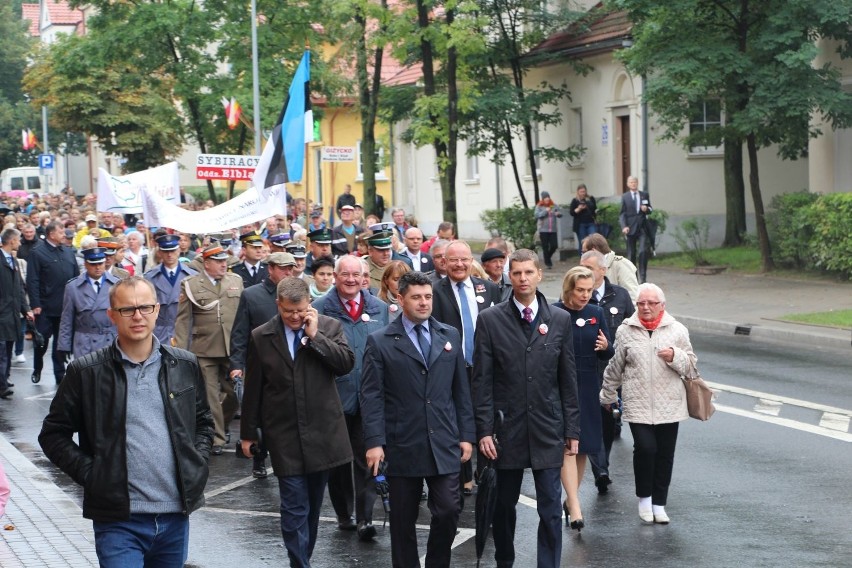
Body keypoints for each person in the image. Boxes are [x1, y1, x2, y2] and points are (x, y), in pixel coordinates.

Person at [39, 276, 214, 567]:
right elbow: (53, 435)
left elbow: (204, 423)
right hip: (118, 520)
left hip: (175, 518)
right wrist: (94, 475)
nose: (137, 316)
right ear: (111, 315)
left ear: (157, 310)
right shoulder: (86, 372)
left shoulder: (184, 364)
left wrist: (197, 462)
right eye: (127, 310)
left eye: (145, 307)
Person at [472, 249, 580, 568]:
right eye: (516, 273)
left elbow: (567, 379)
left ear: (539, 275)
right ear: (508, 276)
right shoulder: (490, 320)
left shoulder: (559, 319)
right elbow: (482, 382)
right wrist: (484, 430)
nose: (522, 279)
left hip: (548, 428)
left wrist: (572, 429)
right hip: (506, 431)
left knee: (549, 508)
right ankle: (505, 560)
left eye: (528, 272)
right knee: (503, 506)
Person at [361, 271, 475, 568]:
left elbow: (460, 390)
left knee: (449, 510)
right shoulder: (380, 341)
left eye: (428, 296)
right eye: (416, 297)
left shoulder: (449, 334)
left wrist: (466, 434)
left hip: (444, 440)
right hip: (402, 442)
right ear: (400, 299)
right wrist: (374, 442)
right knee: (402, 520)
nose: (424, 303)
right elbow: (371, 396)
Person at [240, 277, 355, 567]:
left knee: (313, 507)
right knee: (293, 505)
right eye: (288, 311)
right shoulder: (261, 336)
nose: (294, 317)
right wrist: (247, 433)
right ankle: (299, 563)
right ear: (278, 305)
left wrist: (315, 337)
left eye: (300, 311)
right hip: (284, 433)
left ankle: (302, 558)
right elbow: (254, 387)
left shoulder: (329, 328)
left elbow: (345, 364)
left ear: (310, 305)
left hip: (323, 432)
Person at [600, 283, 697, 525]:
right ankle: (644, 497)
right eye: (641, 303)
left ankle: (659, 503)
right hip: (637, 402)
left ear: (662, 306)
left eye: (651, 303)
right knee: (646, 448)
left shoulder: (677, 330)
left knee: (665, 454)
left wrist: (676, 356)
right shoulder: (626, 330)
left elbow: (692, 366)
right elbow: (615, 365)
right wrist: (608, 394)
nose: (645, 307)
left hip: (670, 402)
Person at [313, 255, 390, 541]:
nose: (350, 280)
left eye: (356, 275)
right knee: (338, 462)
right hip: (334, 397)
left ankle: (365, 518)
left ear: (364, 278)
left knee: (369, 458)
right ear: (334, 276)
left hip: (371, 398)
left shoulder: (380, 308)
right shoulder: (319, 309)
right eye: (344, 274)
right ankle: (344, 513)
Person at [430, 240, 502, 494]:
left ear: (471, 261)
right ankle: (462, 475)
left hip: (484, 367)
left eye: (464, 259)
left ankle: (485, 471)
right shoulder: (434, 291)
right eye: (453, 260)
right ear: (444, 262)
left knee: (485, 418)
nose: (459, 265)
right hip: (451, 368)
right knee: (457, 419)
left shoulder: (490, 288)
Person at [552, 266, 613, 532]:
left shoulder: (596, 313)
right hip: (560, 382)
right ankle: (575, 504)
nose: (585, 295)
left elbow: (607, 351)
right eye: (580, 290)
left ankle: (571, 498)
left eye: (589, 290)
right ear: (568, 289)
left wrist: (605, 348)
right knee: (569, 440)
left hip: (588, 382)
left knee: (584, 445)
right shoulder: (554, 312)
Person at [228, 252, 296, 478]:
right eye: (283, 268)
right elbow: (240, 332)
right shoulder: (251, 295)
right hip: (260, 364)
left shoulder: (297, 292)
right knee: (260, 413)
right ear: (271, 269)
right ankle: (259, 457)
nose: (289, 272)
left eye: (291, 268)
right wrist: (236, 363)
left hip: (290, 363)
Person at [173, 244, 244, 455]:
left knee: (235, 394)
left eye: (225, 261)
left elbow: (243, 317)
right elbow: (183, 321)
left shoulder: (236, 281)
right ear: (207, 263)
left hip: (232, 348)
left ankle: (216, 423)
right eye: (219, 261)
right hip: (204, 349)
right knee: (210, 395)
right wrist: (180, 352)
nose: (224, 264)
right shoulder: (191, 285)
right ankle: (217, 438)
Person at [580, 250, 635, 493]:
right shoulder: (579, 294)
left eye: (590, 268)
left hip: (614, 370)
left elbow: (633, 327)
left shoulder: (619, 296)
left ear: (602, 270)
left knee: (608, 422)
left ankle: (603, 463)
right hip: (587, 370)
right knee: (590, 420)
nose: (585, 273)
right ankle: (600, 469)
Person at [26, 220, 80, 384]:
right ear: (51, 234)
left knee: (61, 343)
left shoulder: (68, 252)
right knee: (41, 342)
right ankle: (38, 366)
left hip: (65, 307)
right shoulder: (38, 253)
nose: (65, 234)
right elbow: (32, 280)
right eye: (61, 231)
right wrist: (35, 304)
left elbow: (77, 278)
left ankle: (59, 374)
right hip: (45, 307)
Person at [57, 247, 120, 359]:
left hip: (110, 341)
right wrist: (64, 346)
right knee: (86, 375)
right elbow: (67, 319)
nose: (97, 267)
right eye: (93, 264)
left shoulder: (117, 284)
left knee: (109, 375)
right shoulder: (73, 287)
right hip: (85, 343)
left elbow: (124, 316)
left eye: (100, 263)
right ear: (85, 264)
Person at [144, 234, 197, 345]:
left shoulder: (192, 276)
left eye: (173, 251)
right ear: (160, 253)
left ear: (178, 251)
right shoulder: (150, 277)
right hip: (160, 332)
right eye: (166, 251)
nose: (169, 255)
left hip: (185, 332)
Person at [1, 228, 33, 399]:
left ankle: (4, 378)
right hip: (2, 314)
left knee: (8, 348)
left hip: (12, 314)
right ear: (12, 241)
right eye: (18, 239)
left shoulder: (12, 260)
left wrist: (26, 309)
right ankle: (2, 385)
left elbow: (19, 288)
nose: (20, 242)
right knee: (1, 351)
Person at [581, 233, 639, 302]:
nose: (582, 255)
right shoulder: (585, 265)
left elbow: (632, 296)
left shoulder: (621, 264)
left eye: (584, 252)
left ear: (594, 250)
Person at [619, 175, 654, 283]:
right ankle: (634, 278)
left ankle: (643, 278)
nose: (633, 184)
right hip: (630, 228)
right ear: (628, 184)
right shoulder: (625, 197)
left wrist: (646, 209)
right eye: (631, 182)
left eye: (635, 182)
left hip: (642, 227)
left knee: (643, 251)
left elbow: (651, 209)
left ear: (637, 183)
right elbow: (622, 214)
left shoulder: (644, 195)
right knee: (631, 254)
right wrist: (624, 226)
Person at [534, 191, 562, 269]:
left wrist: (558, 214)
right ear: (543, 199)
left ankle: (547, 258)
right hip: (543, 230)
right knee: (545, 247)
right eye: (545, 198)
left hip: (553, 229)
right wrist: (545, 211)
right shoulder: (539, 206)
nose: (547, 199)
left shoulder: (554, 205)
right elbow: (536, 215)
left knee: (554, 245)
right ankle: (548, 263)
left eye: (548, 198)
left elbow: (559, 213)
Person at [569, 184, 598, 255]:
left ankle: (593, 256)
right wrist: (579, 208)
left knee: (593, 240)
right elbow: (572, 212)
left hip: (591, 222)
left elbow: (594, 208)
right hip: (580, 224)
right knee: (582, 242)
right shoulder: (575, 200)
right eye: (581, 192)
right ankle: (583, 258)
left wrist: (588, 204)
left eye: (584, 191)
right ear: (578, 192)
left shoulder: (590, 198)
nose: (583, 193)